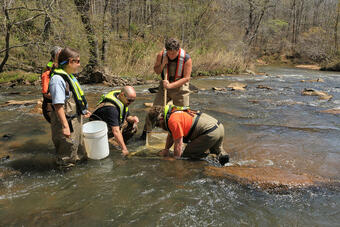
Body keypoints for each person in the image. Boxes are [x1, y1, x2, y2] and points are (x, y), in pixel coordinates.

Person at [141, 38, 192, 139]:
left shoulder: (186, 59)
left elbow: (186, 78)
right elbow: (156, 71)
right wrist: (163, 64)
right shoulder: (161, 55)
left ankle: (184, 136)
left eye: (174, 53)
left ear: (178, 50)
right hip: (164, 85)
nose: (171, 55)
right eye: (169, 53)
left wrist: (171, 86)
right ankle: (145, 134)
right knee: (154, 111)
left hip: (180, 87)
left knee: (183, 113)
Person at [49, 47, 91, 168]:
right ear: (69, 61)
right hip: (66, 122)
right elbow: (58, 106)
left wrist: (83, 110)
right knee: (67, 153)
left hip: (75, 119)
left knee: (78, 148)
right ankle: (65, 179)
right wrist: (65, 126)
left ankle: (79, 175)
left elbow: (74, 98)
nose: (79, 64)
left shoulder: (70, 76)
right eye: (77, 61)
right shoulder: (57, 80)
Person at [148, 105, 229, 165]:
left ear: (161, 118)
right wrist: (166, 149)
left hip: (209, 132)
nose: (160, 127)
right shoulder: (173, 112)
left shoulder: (173, 121)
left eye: (158, 125)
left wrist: (176, 162)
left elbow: (178, 144)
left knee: (187, 155)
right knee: (219, 154)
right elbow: (171, 135)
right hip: (219, 127)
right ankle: (227, 164)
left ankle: (211, 159)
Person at [89, 86, 139, 156]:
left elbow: (127, 116)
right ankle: (114, 143)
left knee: (133, 127)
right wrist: (124, 149)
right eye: (129, 100)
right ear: (122, 94)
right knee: (116, 150)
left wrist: (133, 118)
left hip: (112, 124)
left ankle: (121, 141)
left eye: (133, 100)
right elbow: (115, 131)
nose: (131, 103)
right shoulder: (111, 109)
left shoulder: (122, 100)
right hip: (99, 130)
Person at [41, 46, 62, 123]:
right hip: (51, 108)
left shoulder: (61, 69)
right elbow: (46, 93)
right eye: (59, 55)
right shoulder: (47, 72)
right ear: (54, 57)